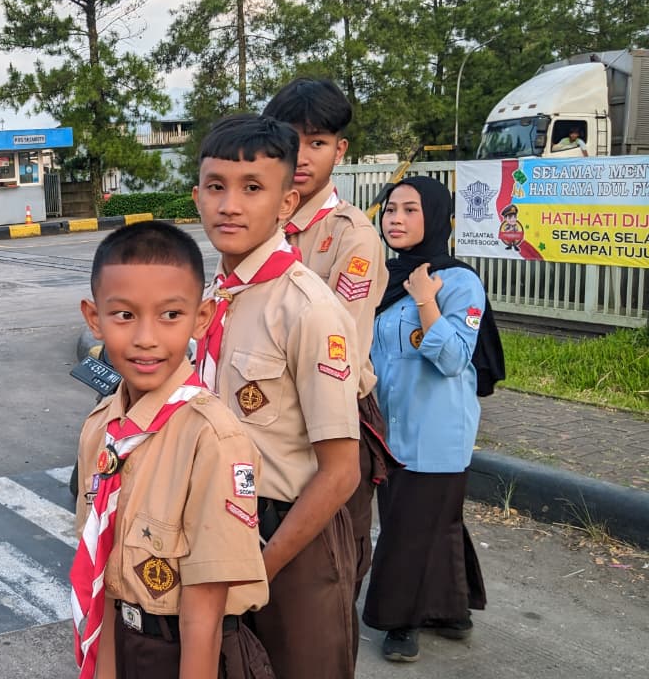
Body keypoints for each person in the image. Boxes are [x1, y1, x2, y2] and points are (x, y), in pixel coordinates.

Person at [192, 114, 361, 679]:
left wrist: (258, 569)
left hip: (289, 537)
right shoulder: (212, 297)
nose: (230, 206)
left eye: (252, 188)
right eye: (216, 186)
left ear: (287, 203)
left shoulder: (308, 310)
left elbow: (341, 472)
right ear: (197, 197)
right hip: (215, 527)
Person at [72, 221, 272, 679]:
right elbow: (102, 578)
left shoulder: (213, 440)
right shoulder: (100, 428)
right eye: (124, 315)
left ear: (201, 318)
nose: (146, 337)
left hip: (188, 655)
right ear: (94, 318)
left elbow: (204, 616)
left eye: (170, 315)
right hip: (124, 641)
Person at [262, 78, 395, 613]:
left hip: (330, 413)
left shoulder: (351, 235)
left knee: (327, 572)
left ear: (340, 150)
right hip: (264, 414)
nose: (301, 155)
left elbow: (339, 346)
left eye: (316, 142)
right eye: (290, 140)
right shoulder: (259, 220)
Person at [363, 176, 493, 662]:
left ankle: (401, 620)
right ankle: (451, 608)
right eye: (390, 209)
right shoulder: (383, 278)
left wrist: (425, 300)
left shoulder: (459, 282)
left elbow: (455, 358)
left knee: (409, 527)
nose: (395, 219)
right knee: (432, 521)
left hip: (437, 429)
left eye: (410, 210)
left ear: (435, 217)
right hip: (389, 424)